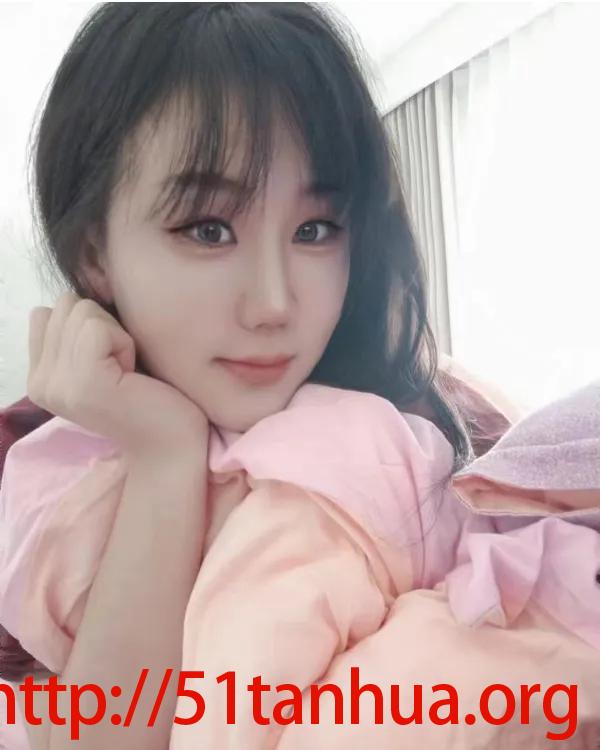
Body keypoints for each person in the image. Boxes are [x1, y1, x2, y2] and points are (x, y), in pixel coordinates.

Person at [0, 3, 479, 749]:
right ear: (95, 254)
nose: (275, 304)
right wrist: (165, 454)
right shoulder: (50, 475)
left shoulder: (420, 419)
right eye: (209, 229)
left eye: (314, 230)